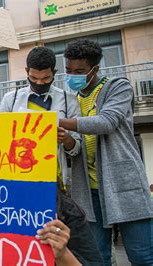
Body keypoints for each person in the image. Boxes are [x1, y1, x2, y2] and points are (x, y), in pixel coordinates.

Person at [59, 39, 153, 265]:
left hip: (123, 184)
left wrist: (58, 121)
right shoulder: (71, 99)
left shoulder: (118, 87)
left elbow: (106, 122)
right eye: (69, 71)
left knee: (142, 255)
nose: (73, 76)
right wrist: (67, 140)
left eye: (80, 71)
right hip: (88, 191)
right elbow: (76, 150)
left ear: (95, 69)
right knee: (96, 256)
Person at [0, 46, 82, 187]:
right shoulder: (10, 99)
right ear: (27, 71)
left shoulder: (69, 100)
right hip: (17, 178)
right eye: (34, 78)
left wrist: (66, 139)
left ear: (54, 73)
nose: (39, 83)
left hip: (55, 181)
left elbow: (77, 149)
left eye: (46, 78)